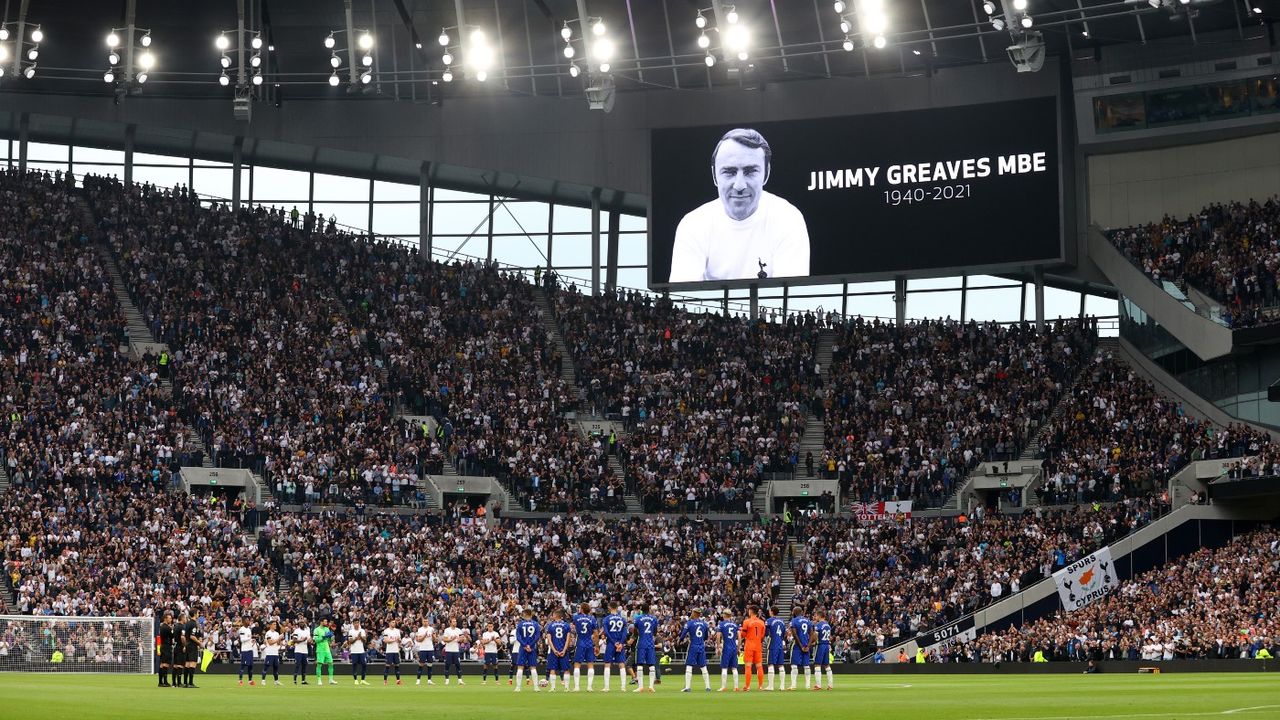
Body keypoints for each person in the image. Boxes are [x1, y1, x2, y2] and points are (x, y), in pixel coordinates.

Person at [668, 128, 810, 283]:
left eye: (750, 171)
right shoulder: (693, 224)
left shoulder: (788, 219)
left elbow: (789, 293)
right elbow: (684, 297)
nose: (739, 185)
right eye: (729, 172)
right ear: (714, 176)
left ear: (766, 173)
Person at [679, 609, 712, 693]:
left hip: (693, 646)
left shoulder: (689, 623)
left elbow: (683, 634)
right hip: (701, 646)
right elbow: (706, 636)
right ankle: (708, 687)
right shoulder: (704, 624)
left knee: (689, 666)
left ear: (695, 613)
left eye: (692, 612)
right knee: (703, 666)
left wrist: (680, 640)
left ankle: (687, 687)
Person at [601, 603, 630, 692]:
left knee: (607, 664)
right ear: (617, 608)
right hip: (620, 644)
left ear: (609, 607)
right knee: (621, 664)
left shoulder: (606, 619)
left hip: (611, 643)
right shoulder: (623, 619)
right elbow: (625, 633)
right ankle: (623, 687)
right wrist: (620, 643)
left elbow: (606, 632)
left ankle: (606, 687)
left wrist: (614, 643)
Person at [632, 605, 660, 693]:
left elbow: (635, 630)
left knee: (639, 664)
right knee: (651, 665)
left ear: (641, 610)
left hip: (641, 643)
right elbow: (655, 632)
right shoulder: (654, 618)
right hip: (650, 643)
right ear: (649, 609)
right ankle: (651, 686)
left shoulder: (638, 618)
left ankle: (640, 687)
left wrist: (639, 633)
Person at [571, 603, 598, 692]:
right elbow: (596, 633)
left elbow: (573, 627)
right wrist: (596, 645)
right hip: (589, 642)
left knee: (577, 664)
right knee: (590, 664)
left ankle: (577, 687)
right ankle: (589, 687)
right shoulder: (592, 618)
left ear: (582, 609)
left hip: (580, 642)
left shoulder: (576, 617)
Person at [513, 609, 541, 693]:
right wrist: (530, 645)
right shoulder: (536, 624)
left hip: (523, 648)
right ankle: (536, 687)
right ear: (531, 615)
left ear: (525, 614)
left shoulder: (520, 624)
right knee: (533, 667)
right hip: (532, 648)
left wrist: (525, 645)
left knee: (520, 667)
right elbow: (537, 636)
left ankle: (518, 687)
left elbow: (518, 637)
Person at [545, 609, 573, 692]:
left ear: (555, 616)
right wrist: (564, 650)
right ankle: (567, 688)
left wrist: (554, 650)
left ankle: (553, 688)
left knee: (552, 669)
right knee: (566, 669)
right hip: (563, 650)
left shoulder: (550, 625)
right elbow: (568, 639)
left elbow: (549, 640)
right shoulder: (567, 625)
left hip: (554, 651)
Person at [740, 606, 766, 692]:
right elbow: (762, 636)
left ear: (751, 611)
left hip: (749, 645)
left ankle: (747, 686)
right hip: (758, 645)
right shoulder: (762, 622)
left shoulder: (747, 621)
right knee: (759, 666)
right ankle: (761, 686)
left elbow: (743, 635)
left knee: (748, 666)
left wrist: (741, 631)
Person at [787, 612, 813, 691]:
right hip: (806, 645)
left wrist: (801, 646)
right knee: (806, 666)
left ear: (795, 612)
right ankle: (808, 685)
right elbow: (812, 634)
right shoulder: (808, 621)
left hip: (797, 646)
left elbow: (794, 634)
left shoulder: (794, 621)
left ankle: (793, 685)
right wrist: (808, 646)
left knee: (794, 665)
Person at [716, 611, 741, 692]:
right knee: (734, 668)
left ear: (724, 615)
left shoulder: (722, 624)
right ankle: (736, 687)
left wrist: (718, 647)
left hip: (726, 647)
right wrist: (738, 648)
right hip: (734, 647)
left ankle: (723, 687)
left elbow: (718, 636)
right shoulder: (735, 625)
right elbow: (739, 637)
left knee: (724, 667)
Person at [764, 612, 788, 691]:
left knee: (771, 664)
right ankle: (782, 686)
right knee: (781, 665)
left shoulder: (769, 621)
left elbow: (766, 632)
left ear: (771, 612)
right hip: (780, 644)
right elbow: (785, 633)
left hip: (772, 644)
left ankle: (771, 686)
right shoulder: (782, 621)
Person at [441, 617, 466, 685]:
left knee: (458, 665)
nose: (455, 622)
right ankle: (447, 680)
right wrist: (453, 639)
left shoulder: (458, 630)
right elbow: (445, 640)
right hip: (448, 650)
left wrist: (459, 639)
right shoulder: (447, 630)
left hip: (456, 650)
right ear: (450, 622)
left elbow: (462, 639)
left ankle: (460, 680)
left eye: (455, 621)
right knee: (447, 665)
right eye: (454, 621)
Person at [812, 611, 834, 691]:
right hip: (826, 645)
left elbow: (815, 635)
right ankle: (830, 685)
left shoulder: (818, 625)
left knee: (817, 665)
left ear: (819, 616)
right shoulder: (828, 625)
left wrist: (811, 642)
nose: (815, 617)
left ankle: (818, 685)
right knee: (827, 665)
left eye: (816, 615)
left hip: (820, 645)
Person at [413, 617, 436, 685]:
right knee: (421, 665)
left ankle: (429, 680)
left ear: (428, 622)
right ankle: (418, 680)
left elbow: (435, 640)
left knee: (430, 665)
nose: (425, 622)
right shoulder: (420, 629)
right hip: (423, 649)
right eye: (424, 621)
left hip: (430, 649)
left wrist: (433, 635)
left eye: (426, 621)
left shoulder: (431, 629)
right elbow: (419, 640)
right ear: (422, 622)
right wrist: (425, 635)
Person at [183, 612, 204, 689]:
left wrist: (185, 645)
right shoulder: (193, 624)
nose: (198, 614)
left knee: (187, 664)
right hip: (192, 646)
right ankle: (190, 683)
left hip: (188, 645)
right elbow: (192, 636)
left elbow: (185, 636)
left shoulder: (187, 623)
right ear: (194, 614)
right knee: (193, 663)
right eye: (198, 613)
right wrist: (199, 643)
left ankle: (185, 683)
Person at [314, 619, 337, 686]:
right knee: (319, 664)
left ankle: (331, 680)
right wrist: (323, 637)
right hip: (320, 649)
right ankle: (319, 680)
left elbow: (329, 640)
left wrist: (331, 637)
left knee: (331, 663)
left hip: (327, 649)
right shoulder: (316, 630)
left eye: (327, 621)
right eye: (325, 621)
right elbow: (316, 640)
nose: (326, 623)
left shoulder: (327, 629)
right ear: (321, 622)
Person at [345, 619, 368, 685]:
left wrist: (360, 637)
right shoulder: (351, 631)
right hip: (354, 651)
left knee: (364, 664)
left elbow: (365, 641)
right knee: (354, 665)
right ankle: (355, 680)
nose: (357, 624)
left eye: (358, 623)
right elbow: (350, 641)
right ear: (353, 624)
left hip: (361, 651)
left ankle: (363, 680)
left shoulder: (362, 631)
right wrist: (356, 638)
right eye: (355, 623)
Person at [261, 620, 283, 686]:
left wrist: (280, 639)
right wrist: (278, 638)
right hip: (269, 653)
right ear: (270, 625)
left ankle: (276, 681)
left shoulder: (276, 633)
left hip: (275, 653)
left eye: (275, 624)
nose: (275, 625)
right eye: (274, 624)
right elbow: (270, 643)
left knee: (276, 668)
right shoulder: (268, 633)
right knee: (266, 667)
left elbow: (277, 643)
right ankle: (263, 680)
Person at [236, 617, 256, 686]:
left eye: (249, 620)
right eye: (247, 620)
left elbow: (248, 639)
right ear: (244, 622)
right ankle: (240, 680)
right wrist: (249, 638)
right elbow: (242, 640)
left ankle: (250, 681)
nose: (249, 621)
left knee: (250, 666)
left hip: (250, 649)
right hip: (245, 650)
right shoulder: (242, 629)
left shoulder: (249, 629)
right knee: (243, 666)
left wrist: (252, 640)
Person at [291, 618, 310, 685]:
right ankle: (295, 680)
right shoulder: (296, 631)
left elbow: (308, 640)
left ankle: (303, 680)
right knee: (297, 665)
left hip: (305, 651)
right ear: (299, 624)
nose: (302, 623)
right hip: (298, 651)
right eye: (301, 622)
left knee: (304, 665)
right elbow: (294, 640)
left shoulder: (307, 631)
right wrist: (302, 640)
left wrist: (310, 641)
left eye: (303, 622)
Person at [157, 611, 174, 688]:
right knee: (165, 664)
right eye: (169, 618)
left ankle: (160, 682)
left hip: (163, 646)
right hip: (166, 647)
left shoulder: (162, 627)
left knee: (162, 664)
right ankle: (165, 681)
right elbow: (172, 636)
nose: (171, 619)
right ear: (165, 619)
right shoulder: (167, 627)